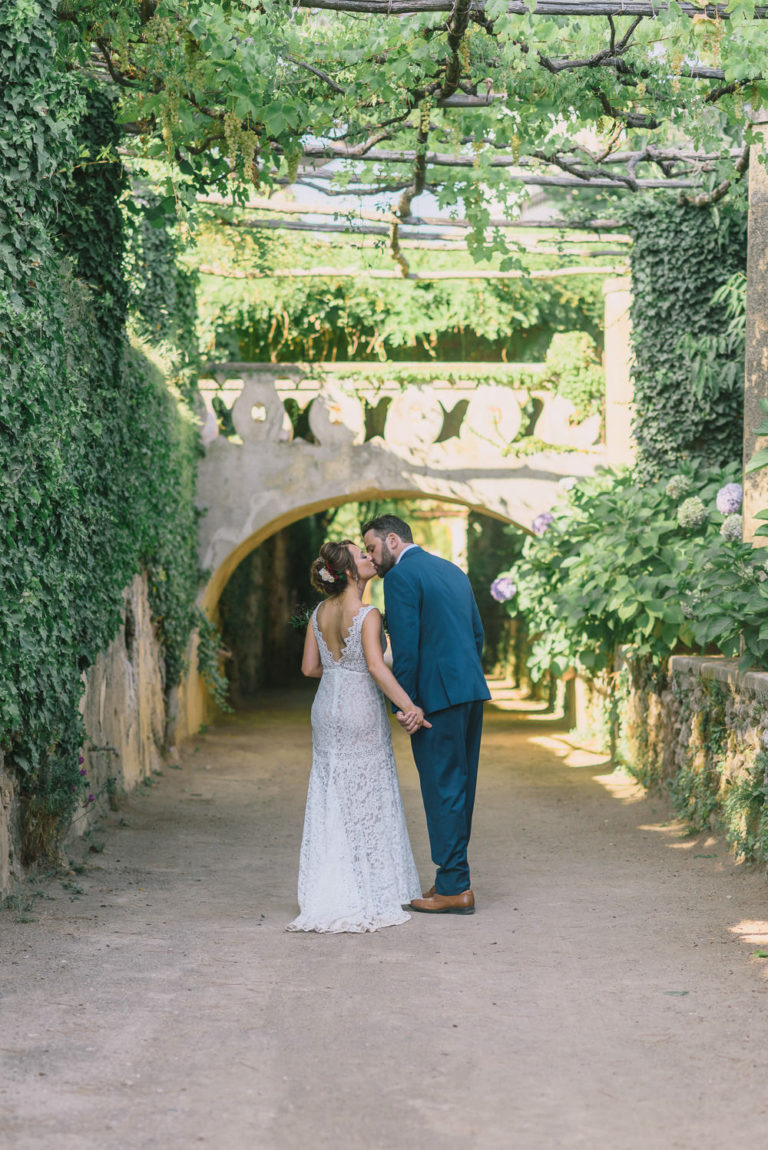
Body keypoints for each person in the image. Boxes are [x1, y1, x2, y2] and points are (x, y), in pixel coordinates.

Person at [287, 539, 427, 933]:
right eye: (361, 555)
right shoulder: (367, 615)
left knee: (332, 792)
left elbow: (309, 668)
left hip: (326, 706)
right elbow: (376, 668)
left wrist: (340, 674)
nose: (369, 558)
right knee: (367, 792)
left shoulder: (318, 612)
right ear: (349, 571)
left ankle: (326, 887)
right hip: (358, 709)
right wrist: (408, 707)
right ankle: (367, 887)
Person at [362, 515, 490, 915]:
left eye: (371, 548)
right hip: (469, 690)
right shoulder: (452, 570)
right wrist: (463, 678)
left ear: (393, 540)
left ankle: (455, 887)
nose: (371, 557)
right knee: (460, 786)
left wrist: (408, 705)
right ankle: (453, 877)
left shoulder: (398, 579)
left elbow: (407, 646)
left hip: (434, 700)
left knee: (442, 788)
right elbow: (477, 635)